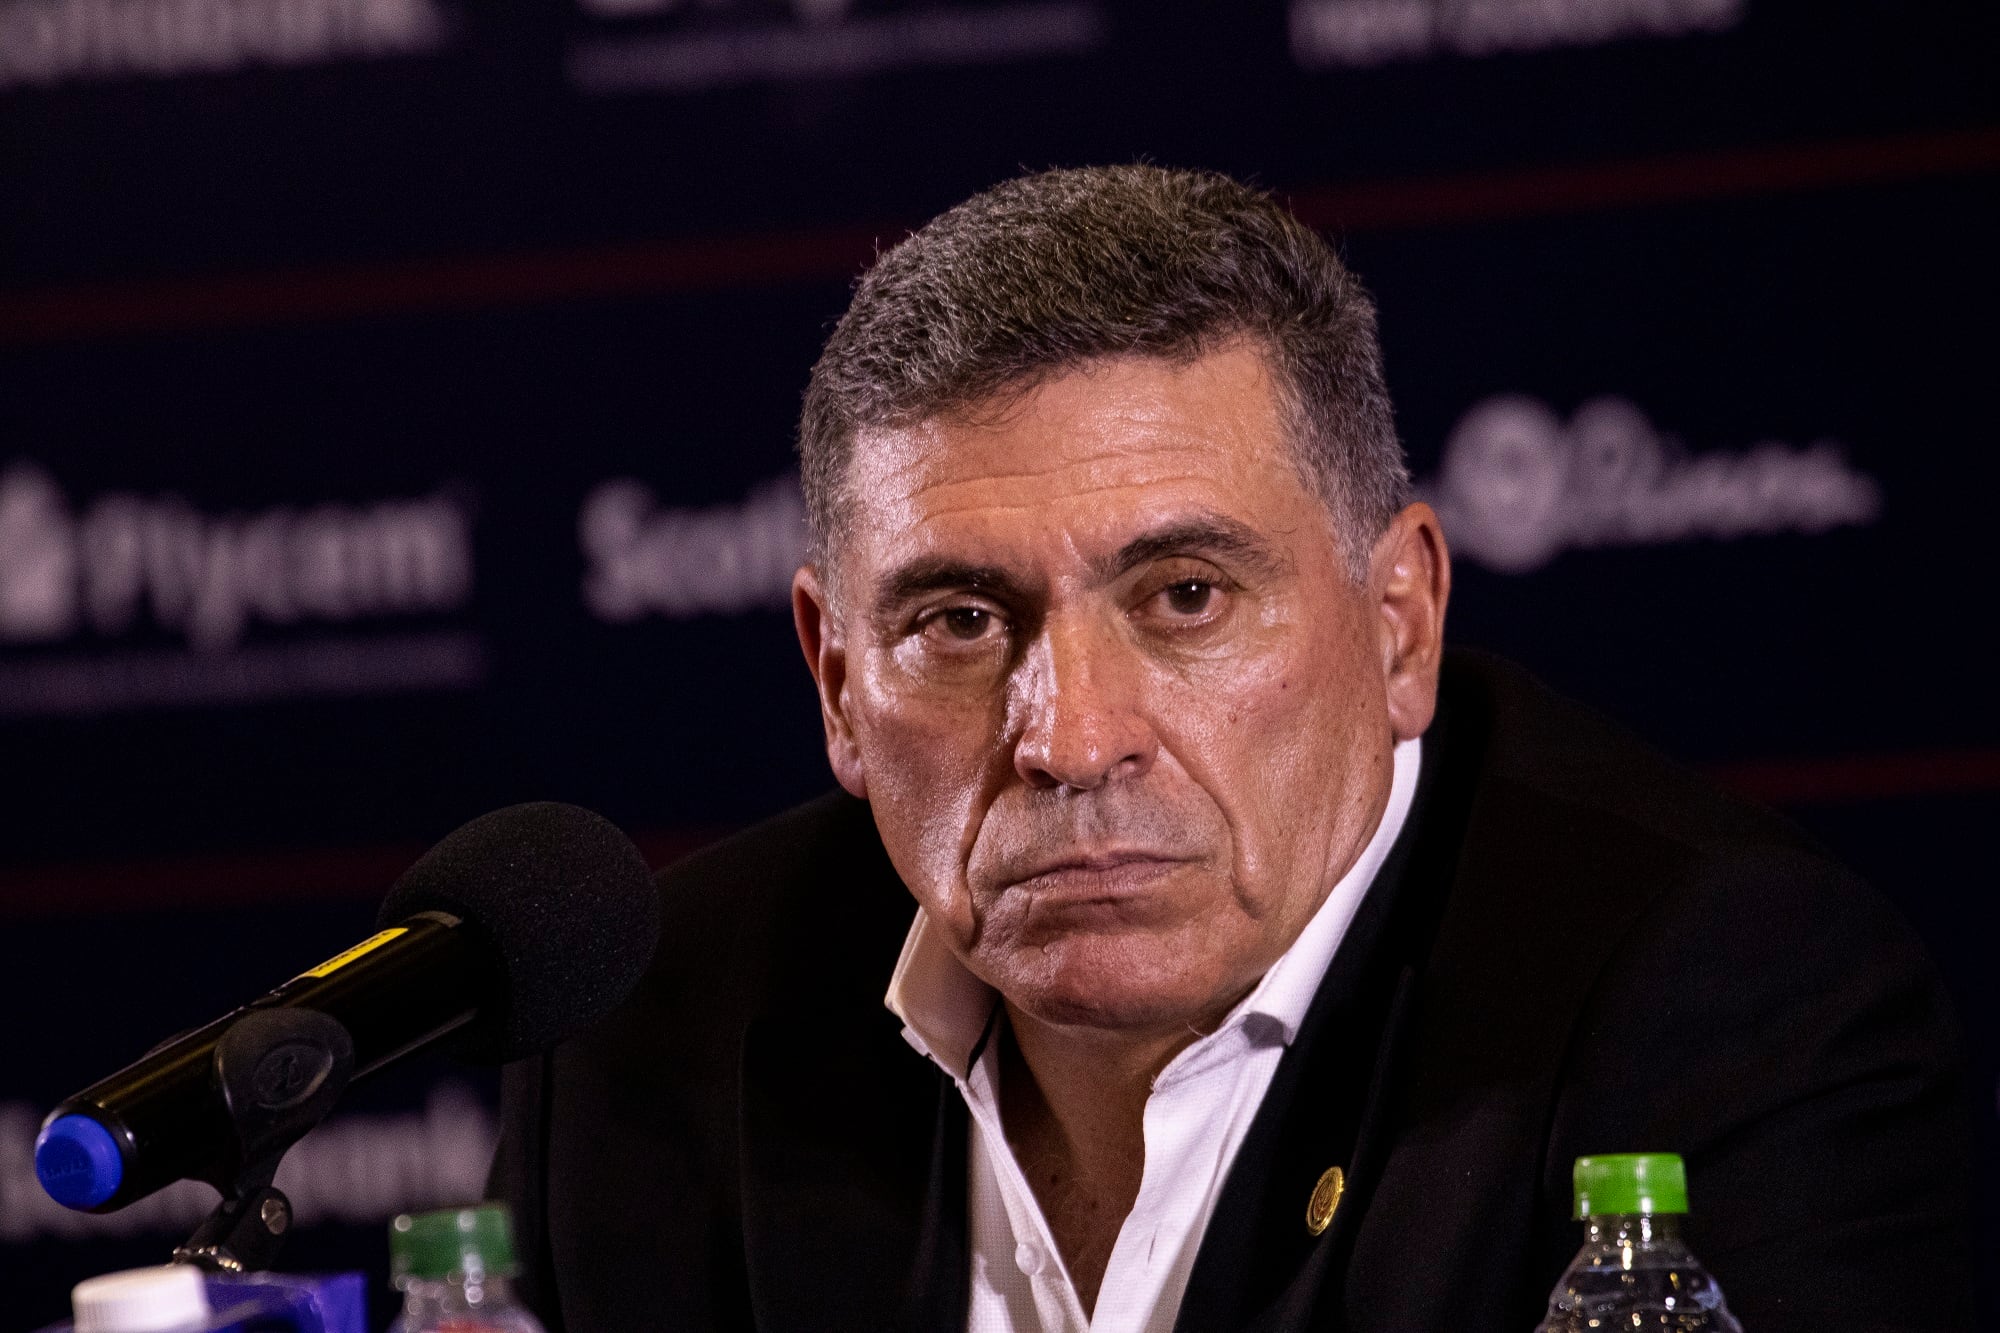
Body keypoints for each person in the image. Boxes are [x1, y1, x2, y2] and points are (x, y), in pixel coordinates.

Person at [490, 166, 1972, 1331]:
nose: (1072, 738)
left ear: (1399, 624)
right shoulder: (651, 1038)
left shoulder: (1716, 1001)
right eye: (959, 622)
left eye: (1185, 597)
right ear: (834, 679)